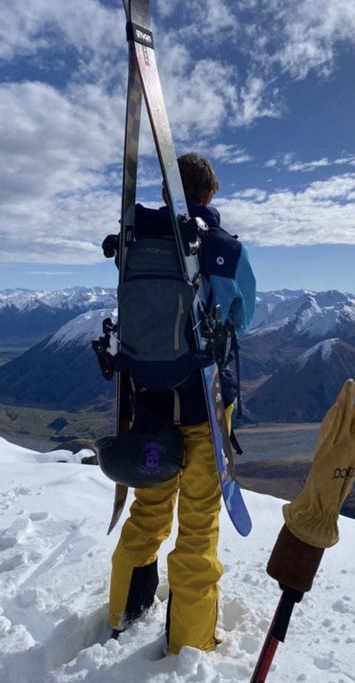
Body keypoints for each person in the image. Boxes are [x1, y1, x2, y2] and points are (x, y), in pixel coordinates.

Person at [105, 153, 256, 654]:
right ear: (210, 195)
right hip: (204, 408)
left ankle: (122, 611)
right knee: (197, 525)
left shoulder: (137, 243)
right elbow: (242, 316)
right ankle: (189, 645)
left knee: (148, 510)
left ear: (168, 194)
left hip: (146, 405)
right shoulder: (225, 251)